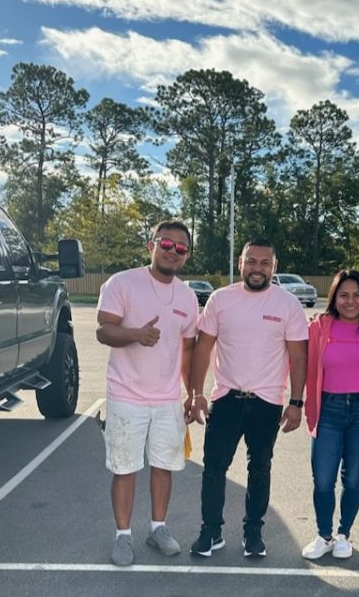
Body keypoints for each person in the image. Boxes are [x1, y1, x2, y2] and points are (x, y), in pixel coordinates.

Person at [186, 238, 308, 559]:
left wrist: (296, 403)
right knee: (213, 468)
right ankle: (211, 532)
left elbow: (299, 356)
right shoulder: (220, 300)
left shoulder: (288, 305)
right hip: (226, 399)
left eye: (264, 263)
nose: (257, 268)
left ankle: (253, 532)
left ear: (274, 267)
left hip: (266, 403)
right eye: (251, 261)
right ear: (240, 263)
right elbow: (203, 348)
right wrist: (196, 393)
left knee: (260, 468)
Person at [95, 220, 199, 567]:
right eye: (166, 244)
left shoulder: (187, 296)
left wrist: (191, 392)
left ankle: (158, 528)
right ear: (151, 244)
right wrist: (136, 334)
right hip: (126, 395)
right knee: (125, 468)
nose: (173, 251)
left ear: (186, 255)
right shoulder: (123, 283)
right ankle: (122, 536)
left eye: (181, 248)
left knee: (164, 465)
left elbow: (186, 350)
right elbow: (103, 330)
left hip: (167, 399)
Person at [300, 269, 359, 560]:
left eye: (356, 295)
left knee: (353, 478)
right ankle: (323, 534)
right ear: (334, 297)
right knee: (323, 479)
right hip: (329, 408)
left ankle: (343, 535)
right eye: (343, 295)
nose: (350, 301)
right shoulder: (319, 327)